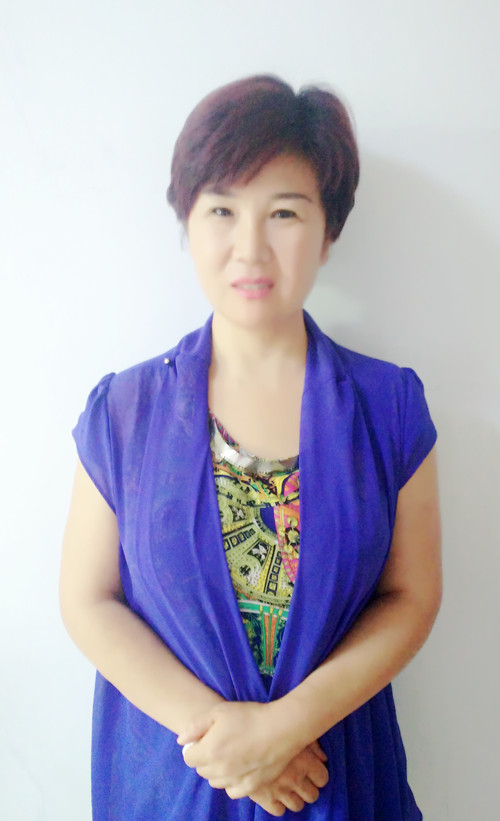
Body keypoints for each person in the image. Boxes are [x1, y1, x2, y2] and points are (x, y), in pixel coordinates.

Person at [60, 75, 442, 820]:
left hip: (337, 782)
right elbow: (87, 599)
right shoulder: (123, 413)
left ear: (329, 230)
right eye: (222, 210)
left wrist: (286, 727)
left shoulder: (389, 407)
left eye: (285, 213)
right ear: (188, 220)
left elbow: (412, 596)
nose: (250, 247)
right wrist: (230, 744)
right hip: (175, 786)